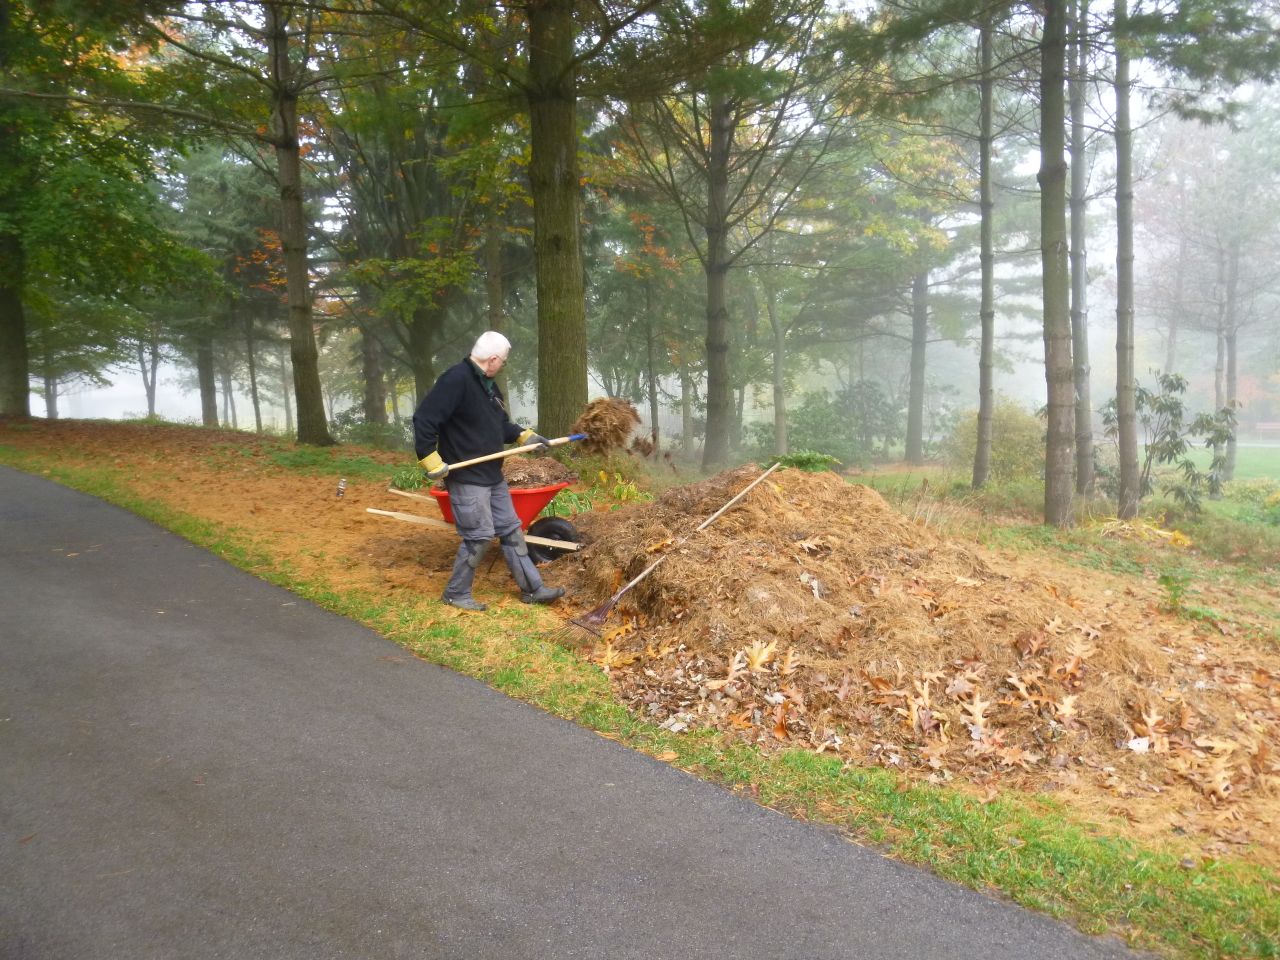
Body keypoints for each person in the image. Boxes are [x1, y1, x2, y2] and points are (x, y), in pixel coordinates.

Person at [413, 331, 567, 612]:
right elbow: (424, 418)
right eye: (504, 361)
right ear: (493, 359)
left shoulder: (488, 387)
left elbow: (500, 426)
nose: (503, 366)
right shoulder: (456, 379)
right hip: (467, 477)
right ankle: (456, 593)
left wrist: (524, 436)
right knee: (479, 535)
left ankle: (533, 589)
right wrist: (430, 459)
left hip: (492, 476)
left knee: (511, 529)